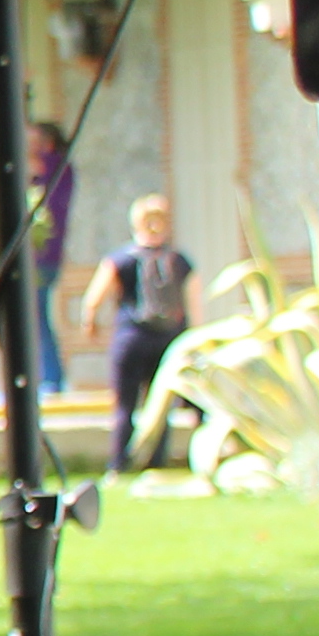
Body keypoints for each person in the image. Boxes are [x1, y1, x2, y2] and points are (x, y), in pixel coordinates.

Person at [84, 193, 200, 471]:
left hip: (131, 338)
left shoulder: (120, 259)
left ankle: (119, 464)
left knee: (125, 406)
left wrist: (90, 323)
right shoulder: (179, 260)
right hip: (169, 339)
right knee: (160, 407)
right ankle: (155, 462)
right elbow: (194, 301)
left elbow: (94, 297)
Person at [23, 117, 79, 393]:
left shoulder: (51, 166)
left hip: (41, 257)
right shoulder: (62, 168)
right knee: (35, 316)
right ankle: (48, 377)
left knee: (36, 316)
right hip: (45, 256)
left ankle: (50, 378)